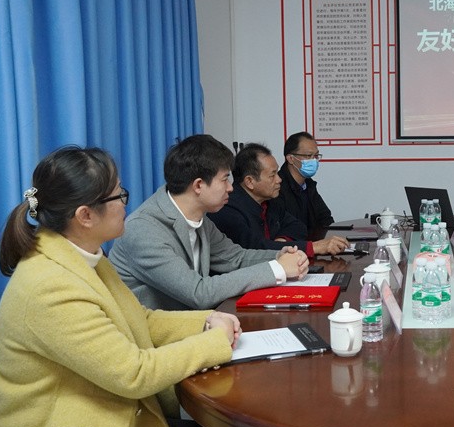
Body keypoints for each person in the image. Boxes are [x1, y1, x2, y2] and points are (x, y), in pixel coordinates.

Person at [0, 146, 255, 427]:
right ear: (85, 215)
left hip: (111, 420)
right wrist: (213, 342)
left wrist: (206, 320)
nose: (126, 203)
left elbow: (141, 319)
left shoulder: (86, 256)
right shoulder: (48, 286)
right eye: (119, 195)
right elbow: (134, 374)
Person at [110, 134, 309, 310]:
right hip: (154, 335)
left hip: (194, 324)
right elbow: (198, 293)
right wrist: (277, 269)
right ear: (198, 185)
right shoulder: (143, 229)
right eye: (224, 180)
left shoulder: (200, 218)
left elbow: (236, 258)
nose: (230, 188)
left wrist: (279, 256)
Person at [208, 142, 349, 256]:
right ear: (250, 181)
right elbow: (257, 249)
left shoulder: (269, 201)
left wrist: (282, 241)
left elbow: (298, 226)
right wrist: (313, 247)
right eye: (272, 175)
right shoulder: (227, 209)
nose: (279, 179)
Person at [275, 131, 335, 236]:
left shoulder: (309, 185)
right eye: (308, 155)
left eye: (316, 155)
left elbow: (326, 219)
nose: (314, 160)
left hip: (313, 243)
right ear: (291, 158)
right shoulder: (277, 187)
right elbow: (289, 228)